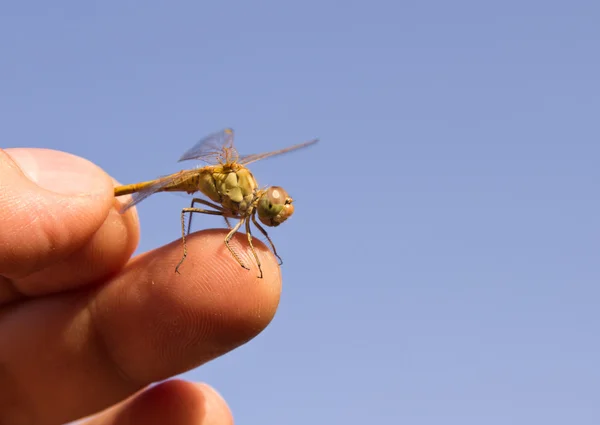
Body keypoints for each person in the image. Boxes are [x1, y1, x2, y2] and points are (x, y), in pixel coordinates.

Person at [0, 148, 282, 425]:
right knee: (190, 210)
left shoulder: (247, 198)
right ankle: (176, 246)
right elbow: (230, 228)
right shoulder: (233, 183)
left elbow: (245, 225)